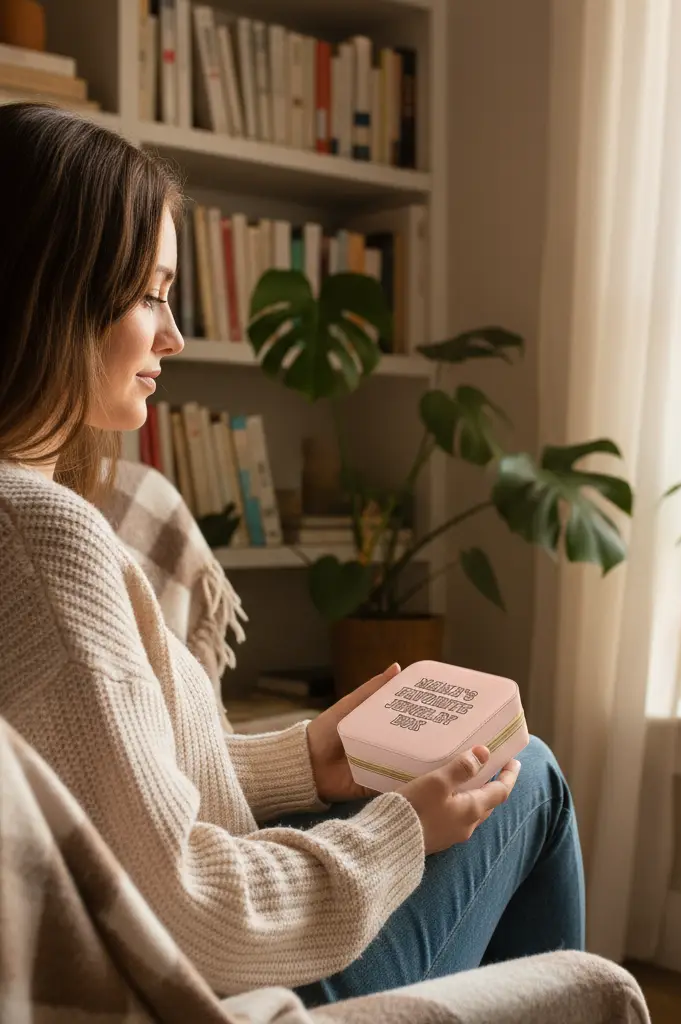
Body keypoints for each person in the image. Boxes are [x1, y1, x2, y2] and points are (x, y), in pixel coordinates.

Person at [0, 102, 585, 1006]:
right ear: (53, 291)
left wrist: (305, 759)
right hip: (223, 988)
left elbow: (112, 792)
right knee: (530, 774)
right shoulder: (41, 538)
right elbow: (185, 911)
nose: (173, 335)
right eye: (150, 294)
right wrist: (398, 833)